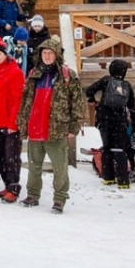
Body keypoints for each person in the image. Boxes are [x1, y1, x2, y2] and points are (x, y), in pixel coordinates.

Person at [17, 37, 87, 213]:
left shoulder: (67, 75)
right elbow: (25, 101)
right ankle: (33, 195)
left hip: (56, 129)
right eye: (44, 53)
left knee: (60, 167)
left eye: (50, 53)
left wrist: (75, 126)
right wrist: (22, 123)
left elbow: (78, 102)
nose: (47, 56)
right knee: (34, 166)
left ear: (57, 55)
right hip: (35, 127)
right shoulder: (33, 73)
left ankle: (60, 199)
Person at [84, 59, 135, 189]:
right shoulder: (127, 85)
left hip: (104, 118)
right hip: (120, 120)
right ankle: (123, 181)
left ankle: (108, 177)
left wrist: (92, 100)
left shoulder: (106, 80)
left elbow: (89, 91)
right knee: (120, 149)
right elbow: (132, 108)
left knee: (107, 147)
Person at [0, 37, 24, 201]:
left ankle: (14, 187)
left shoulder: (14, 71)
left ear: (4, 55)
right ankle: (7, 184)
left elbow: (18, 99)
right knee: (1, 156)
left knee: (11, 156)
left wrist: (13, 123)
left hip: (10, 123)